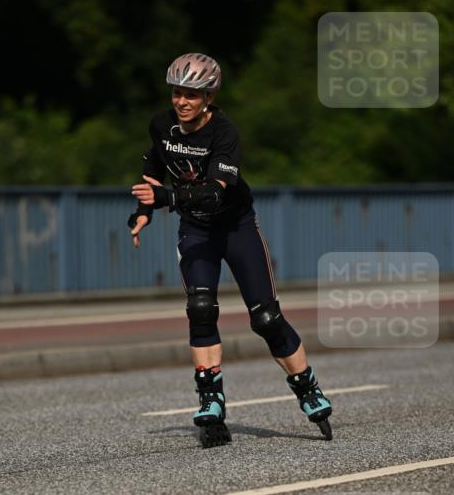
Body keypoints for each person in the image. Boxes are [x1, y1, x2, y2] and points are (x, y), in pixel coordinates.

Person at [128, 52, 332, 441]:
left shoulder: (225, 132)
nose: (182, 102)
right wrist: (143, 211)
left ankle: (307, 387)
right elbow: (154, 169)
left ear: (210, 96)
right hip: (196, 231)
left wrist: (168, 200)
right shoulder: (162, 126)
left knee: (266, 318)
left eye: (192, 94)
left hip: (236, 226)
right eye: (177, 93)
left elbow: (214, 192)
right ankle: (210, 399)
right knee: (200, 309)